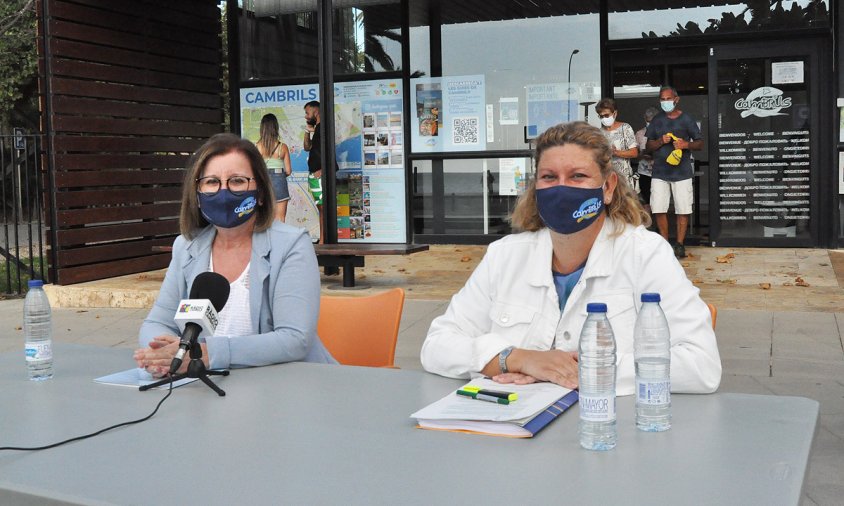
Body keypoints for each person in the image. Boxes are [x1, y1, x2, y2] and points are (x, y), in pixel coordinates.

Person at [420, 122, 721, 396]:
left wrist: (580, 371)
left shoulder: (645, 254)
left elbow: (700, 365)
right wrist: (518, 359)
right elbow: (437, 346)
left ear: (608, 187)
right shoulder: (504, 255)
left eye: (578, 176)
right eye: (549, 177)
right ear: (535, 187)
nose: (562, 188)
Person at [134, 133, 336, 377]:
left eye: (237, 181)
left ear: (260, 193)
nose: (224, 192)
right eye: (211, 182)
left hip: (285, 388)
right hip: (208, 389)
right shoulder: (186, 247)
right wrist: (160, 354)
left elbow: (294, 339)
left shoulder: (291, 245)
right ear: (197, 194)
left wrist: (207, 354)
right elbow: (156, 323)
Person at [645, 86, 703, 258]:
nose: (665, 102)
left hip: (682, 172)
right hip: (659, 173)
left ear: (676, 99)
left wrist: (686, 145)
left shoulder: (686, 119)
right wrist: (660, 141)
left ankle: (679, 244)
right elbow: (648, 147)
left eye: (668, 99)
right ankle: (664, 243)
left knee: (682, 209)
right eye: (662, 99)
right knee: (658, 208)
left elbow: (700, 143)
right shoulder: (657, 120)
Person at [256, 113, 293, 222]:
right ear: (275, 128)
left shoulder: (257, 146)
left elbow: (256, 169)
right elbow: (288, 171)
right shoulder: (282, 147)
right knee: (280, 218)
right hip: (279, 180)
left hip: (263, 182)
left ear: (262, 128)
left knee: (264, 218)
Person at [595, 98, 638, 190]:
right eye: (601, 116)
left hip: (624, 179)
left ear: (615, 113)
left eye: (606, 115)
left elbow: (634, 153)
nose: (604, 118)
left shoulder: (625, 128)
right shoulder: (599, 133)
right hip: (606, 179)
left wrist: (616, 153)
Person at [303, 100, 326, 244]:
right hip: (314, 174)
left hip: (320, 174)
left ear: (316, 111)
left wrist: (323, 169)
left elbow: (328, 149)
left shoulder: (323, 127)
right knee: (321, 208)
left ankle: (324, 240)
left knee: (324, 208)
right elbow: (307, 147)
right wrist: (307, 131)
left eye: (307, 112)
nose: (306, 116)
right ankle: (323, 239)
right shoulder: (317, 128)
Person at [635, 106, 660, 214]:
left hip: (660, 172)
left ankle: (659, 227)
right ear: (645, 118)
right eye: (648, 121)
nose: (650, 123)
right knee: (646, 201)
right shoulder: (639, 134)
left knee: (659, 201)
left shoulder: (663, 133)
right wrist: (643, 154)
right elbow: (634, 153)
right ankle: (648, 226)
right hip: (643, 171)